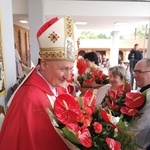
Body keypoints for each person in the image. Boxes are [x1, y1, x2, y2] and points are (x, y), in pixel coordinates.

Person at [0, 16, 79, 150]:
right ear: (44, 64)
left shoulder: (58, 87)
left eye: (71, 69)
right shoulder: (28, 99)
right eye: (63, 69)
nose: (68, 76)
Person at [132, 58, 150, 150]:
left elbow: (141, 128)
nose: (135, 75)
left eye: (139, 72)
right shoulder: (143, 91)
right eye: (134, 71)